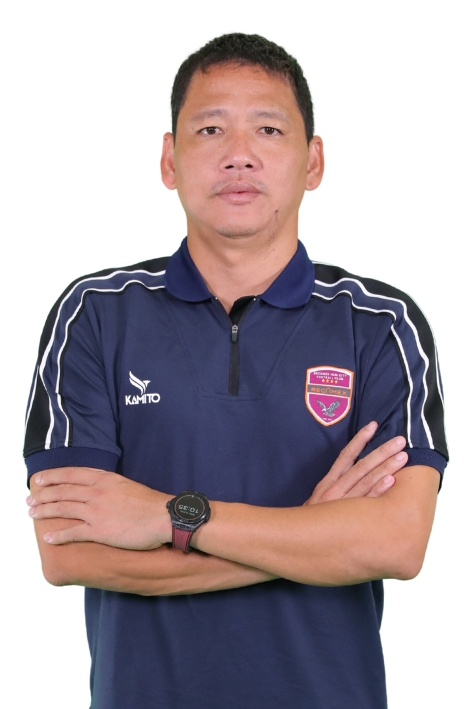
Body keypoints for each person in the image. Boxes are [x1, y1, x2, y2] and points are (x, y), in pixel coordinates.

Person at [24, 33, 447, 709]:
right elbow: (66, 553)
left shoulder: (379, 325)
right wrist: (310, 534)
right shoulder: (95, 315)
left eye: (269, 129)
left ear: (313, 161)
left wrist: (168, 517)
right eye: (211, 128)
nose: (239, 153)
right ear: (170, 160)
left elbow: (396, 544)